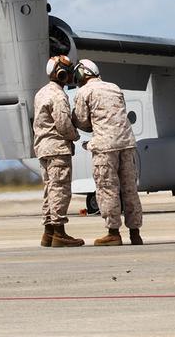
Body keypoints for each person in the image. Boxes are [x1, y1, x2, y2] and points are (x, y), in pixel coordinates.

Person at [72, 59, 144, 246]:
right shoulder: (114, 87)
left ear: (82, 74)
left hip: (105, 146)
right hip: (127, 143)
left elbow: (81, 120)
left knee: (107, 189)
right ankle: (135, 233)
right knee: (130, 189)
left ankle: (113, 232)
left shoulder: (84, 92)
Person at [33, 55, 84, 247]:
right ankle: (60, 234)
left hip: (43, 148)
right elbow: (63, 124)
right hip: (57, 148)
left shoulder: (41, 92)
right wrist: (75, 136)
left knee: (49, 189)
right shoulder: (58, 95)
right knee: (60, 190)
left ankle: (48, 233)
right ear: (61, 74)